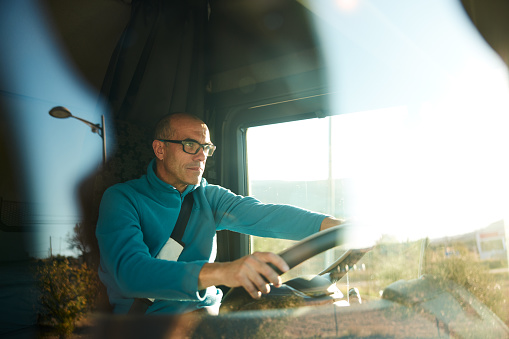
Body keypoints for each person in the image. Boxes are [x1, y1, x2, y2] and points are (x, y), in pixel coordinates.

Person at [96, 112, 342, 315]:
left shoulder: (209, 197)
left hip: (212, 319)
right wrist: (225, 271)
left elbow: (266, 215)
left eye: (206, 147)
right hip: (150, 327)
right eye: (190, 145)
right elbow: (131, 273)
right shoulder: (122, 199)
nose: (201, 156)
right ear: (160, 149)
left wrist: (337, 226)